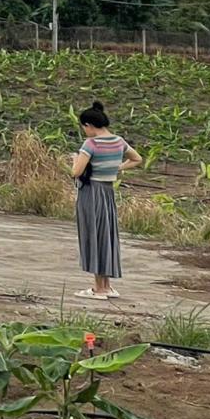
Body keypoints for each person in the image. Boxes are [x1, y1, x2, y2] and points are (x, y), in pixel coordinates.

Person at [70, 105, 141, 300]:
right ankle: (107, 286)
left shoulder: (90, 144)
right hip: (108, 192)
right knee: (107, 236)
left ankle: (98, 289)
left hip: (91, 192)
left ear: (89, 125)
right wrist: (119, 167)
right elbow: (137, 159)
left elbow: (76, 172)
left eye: (84, 127)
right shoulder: (118, 142)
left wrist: (75, 159)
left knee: (93, 235)